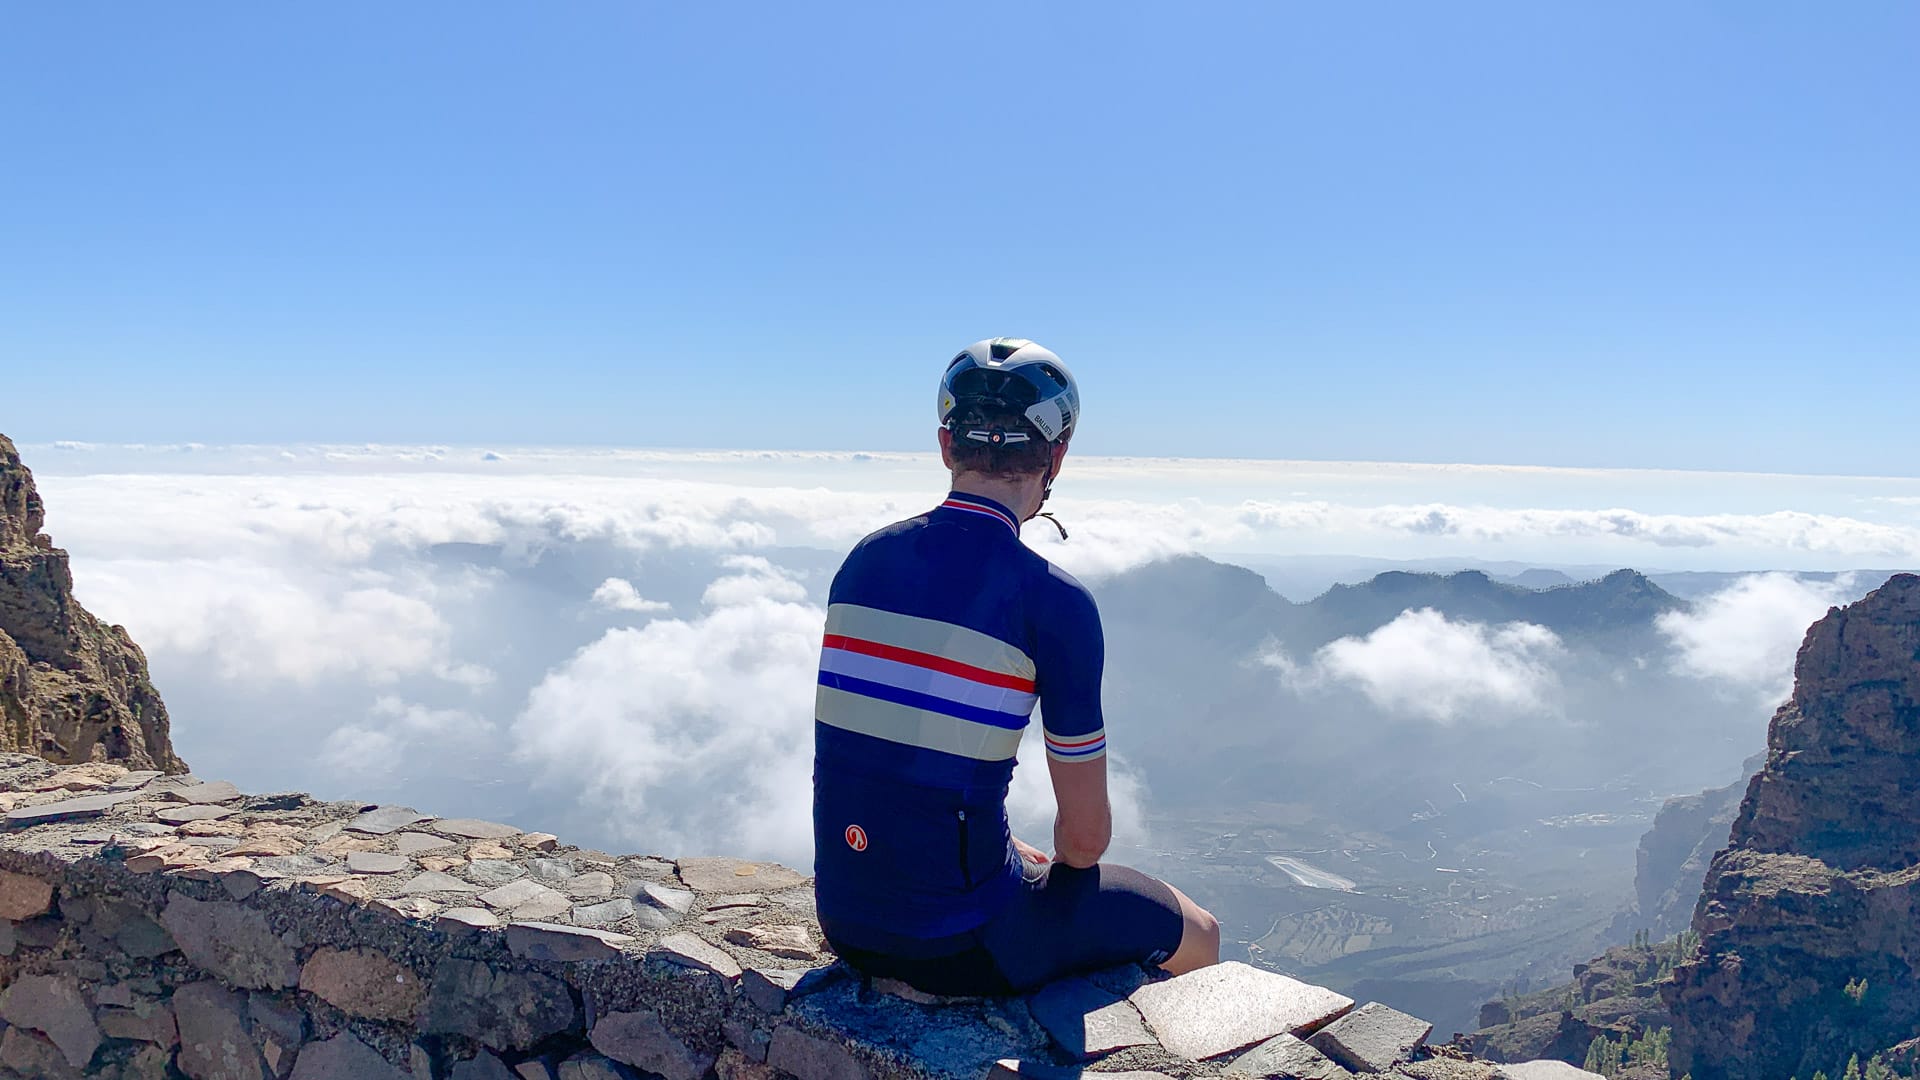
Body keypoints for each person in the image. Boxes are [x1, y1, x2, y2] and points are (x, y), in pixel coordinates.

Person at [811, 337, 1221, 996]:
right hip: (965, 943)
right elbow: (1084, 844)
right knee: (1200, 932)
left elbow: (889, 767)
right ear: (1055, 456)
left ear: (947, 447)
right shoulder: (1053, 602)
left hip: (846, 921)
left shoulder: (864, 562)